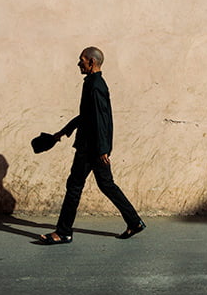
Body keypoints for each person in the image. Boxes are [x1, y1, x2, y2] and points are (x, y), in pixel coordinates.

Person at [38, 46, 146, 244]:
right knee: (106, 185)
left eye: (82, 60)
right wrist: (63, 132)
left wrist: (103, 149)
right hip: (92, 146)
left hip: (90, 147)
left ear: (92, 62)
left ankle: (63, 232)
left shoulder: (95, 85)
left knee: (75, 186)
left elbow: (102, 118)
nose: (79, 63)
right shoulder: (93, 83)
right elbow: (87, 116)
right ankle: (134, 222)